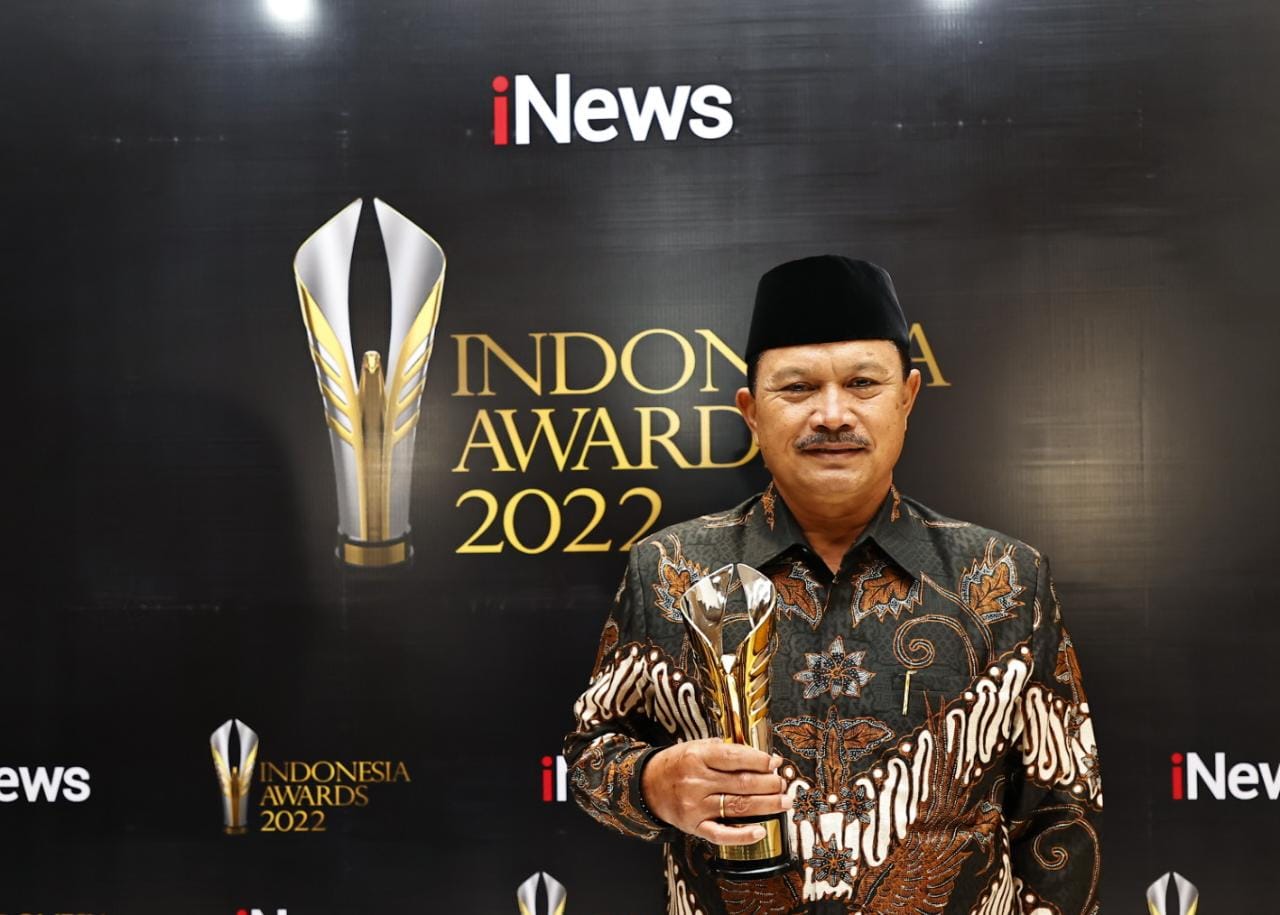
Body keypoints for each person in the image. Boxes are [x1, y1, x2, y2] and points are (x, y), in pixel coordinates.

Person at [564, 256, 1102, 915]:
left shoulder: (1005, 577)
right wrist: (651, 784)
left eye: (862, 383)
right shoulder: (669, 569)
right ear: (750, 411)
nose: (832, 413)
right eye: (797, 388)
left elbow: (1061, 813)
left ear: (907, 398)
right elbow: (590, 756)